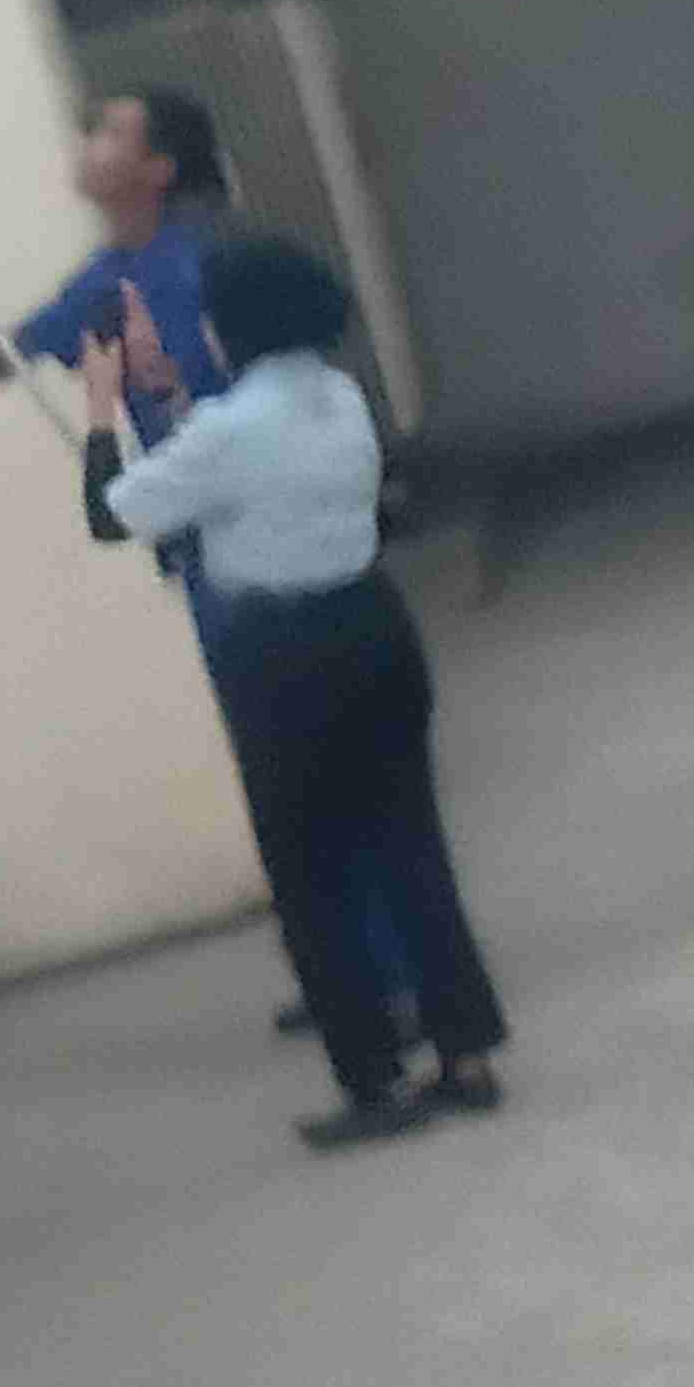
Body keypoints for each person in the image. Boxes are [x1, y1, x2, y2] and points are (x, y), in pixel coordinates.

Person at [0, 90, 411, 1034]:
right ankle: (346, 975)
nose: (85, 143)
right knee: (282, 774)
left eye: (109, 132)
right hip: (208, 552)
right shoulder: (106, 279)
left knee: (326, 767)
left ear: (158, 169)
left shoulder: (215, 259)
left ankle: (392, 977)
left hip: (280, 548)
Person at [74, 231, 506, 1149]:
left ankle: (374, 1081)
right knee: (410, 849)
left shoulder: (230, 431)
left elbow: (113, 516)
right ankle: (465, 1054)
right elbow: (232, 456)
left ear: (231, 324)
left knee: (313, 874)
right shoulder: (338, 397)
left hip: (282, 654)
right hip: (375, 628)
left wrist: (102, 410)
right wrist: (171, 393)